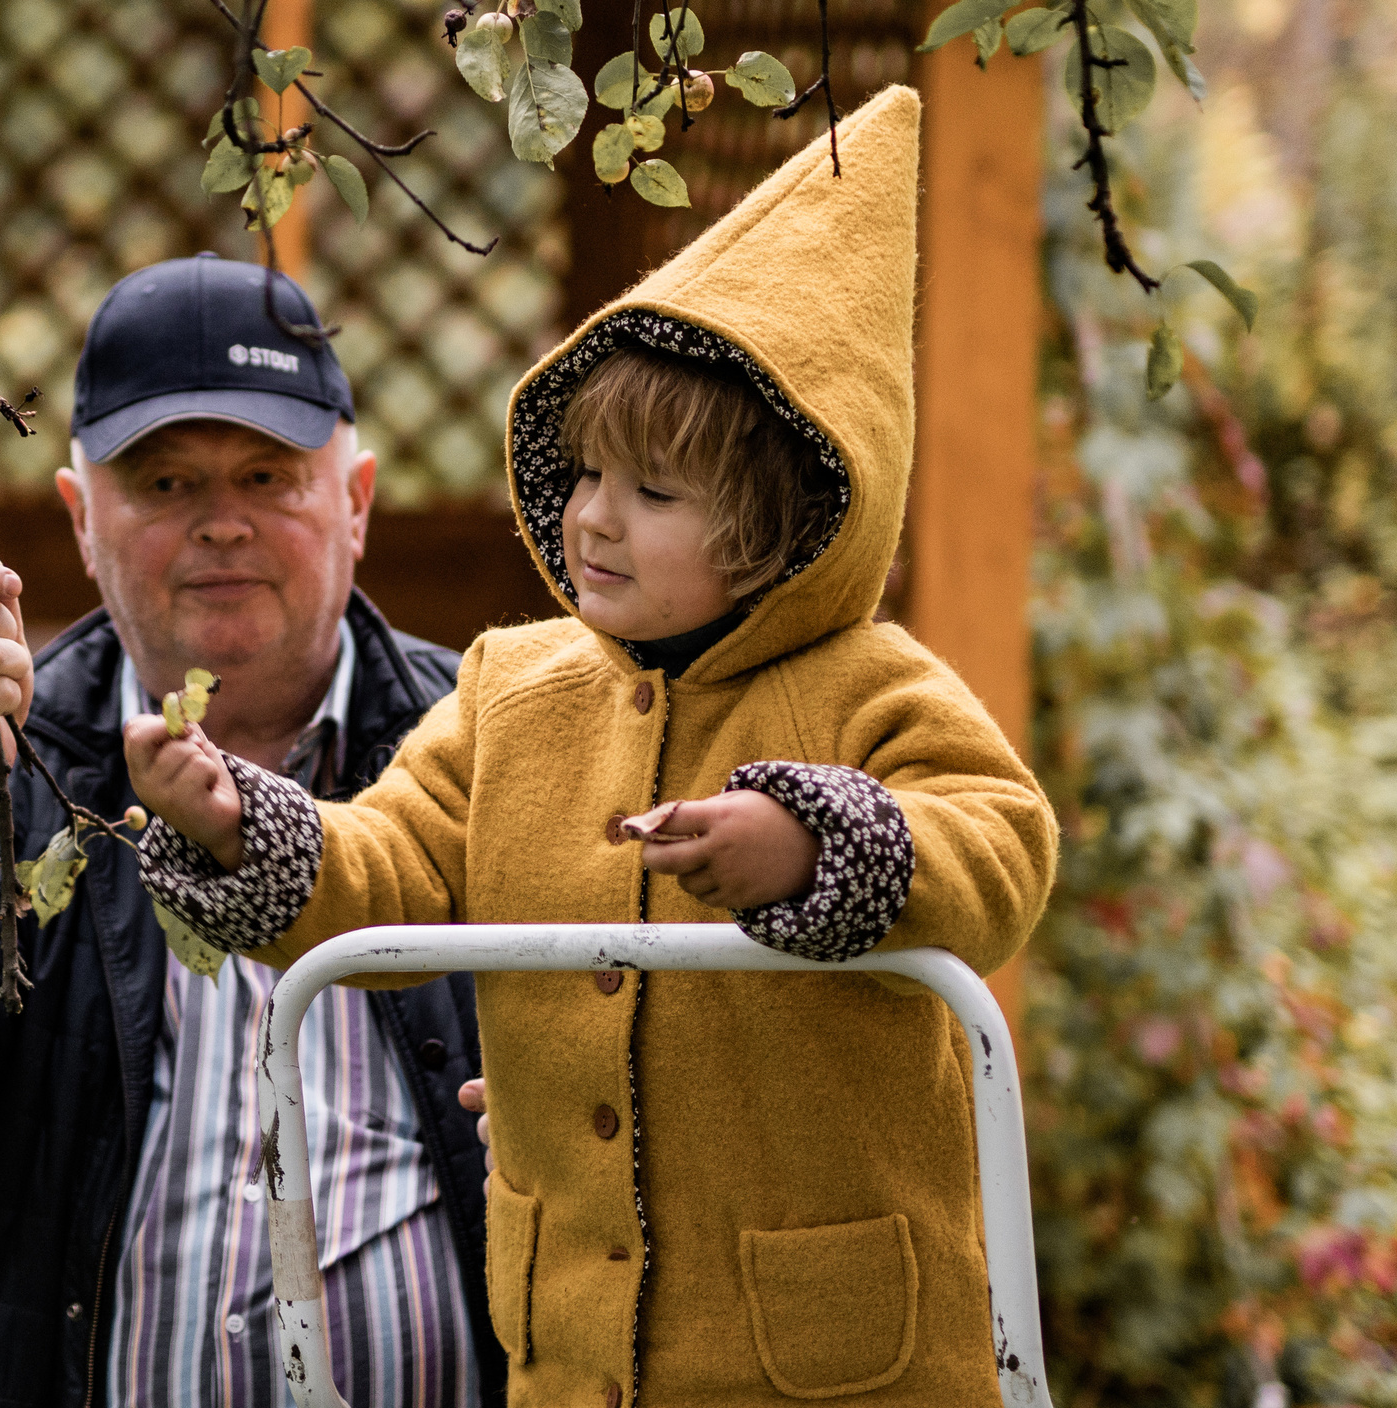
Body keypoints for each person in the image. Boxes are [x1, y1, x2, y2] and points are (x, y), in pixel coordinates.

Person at [123, 87, 1058, 1408]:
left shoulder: (871, 688)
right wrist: (239, 824)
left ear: (786, 523)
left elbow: (1003, 846)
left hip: (832, 1358)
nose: (592, 518)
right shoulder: (512, 690)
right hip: (574, 1350)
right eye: (584, 474)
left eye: (653, 491)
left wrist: (812, 846)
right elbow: (392, 867)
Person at [0, 255, 507, 1408]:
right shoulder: (1, 757)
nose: (221, 523)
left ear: (356, 502)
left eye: (267, 475)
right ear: (82, 520)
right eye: (164, 482)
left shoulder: (492, 747)